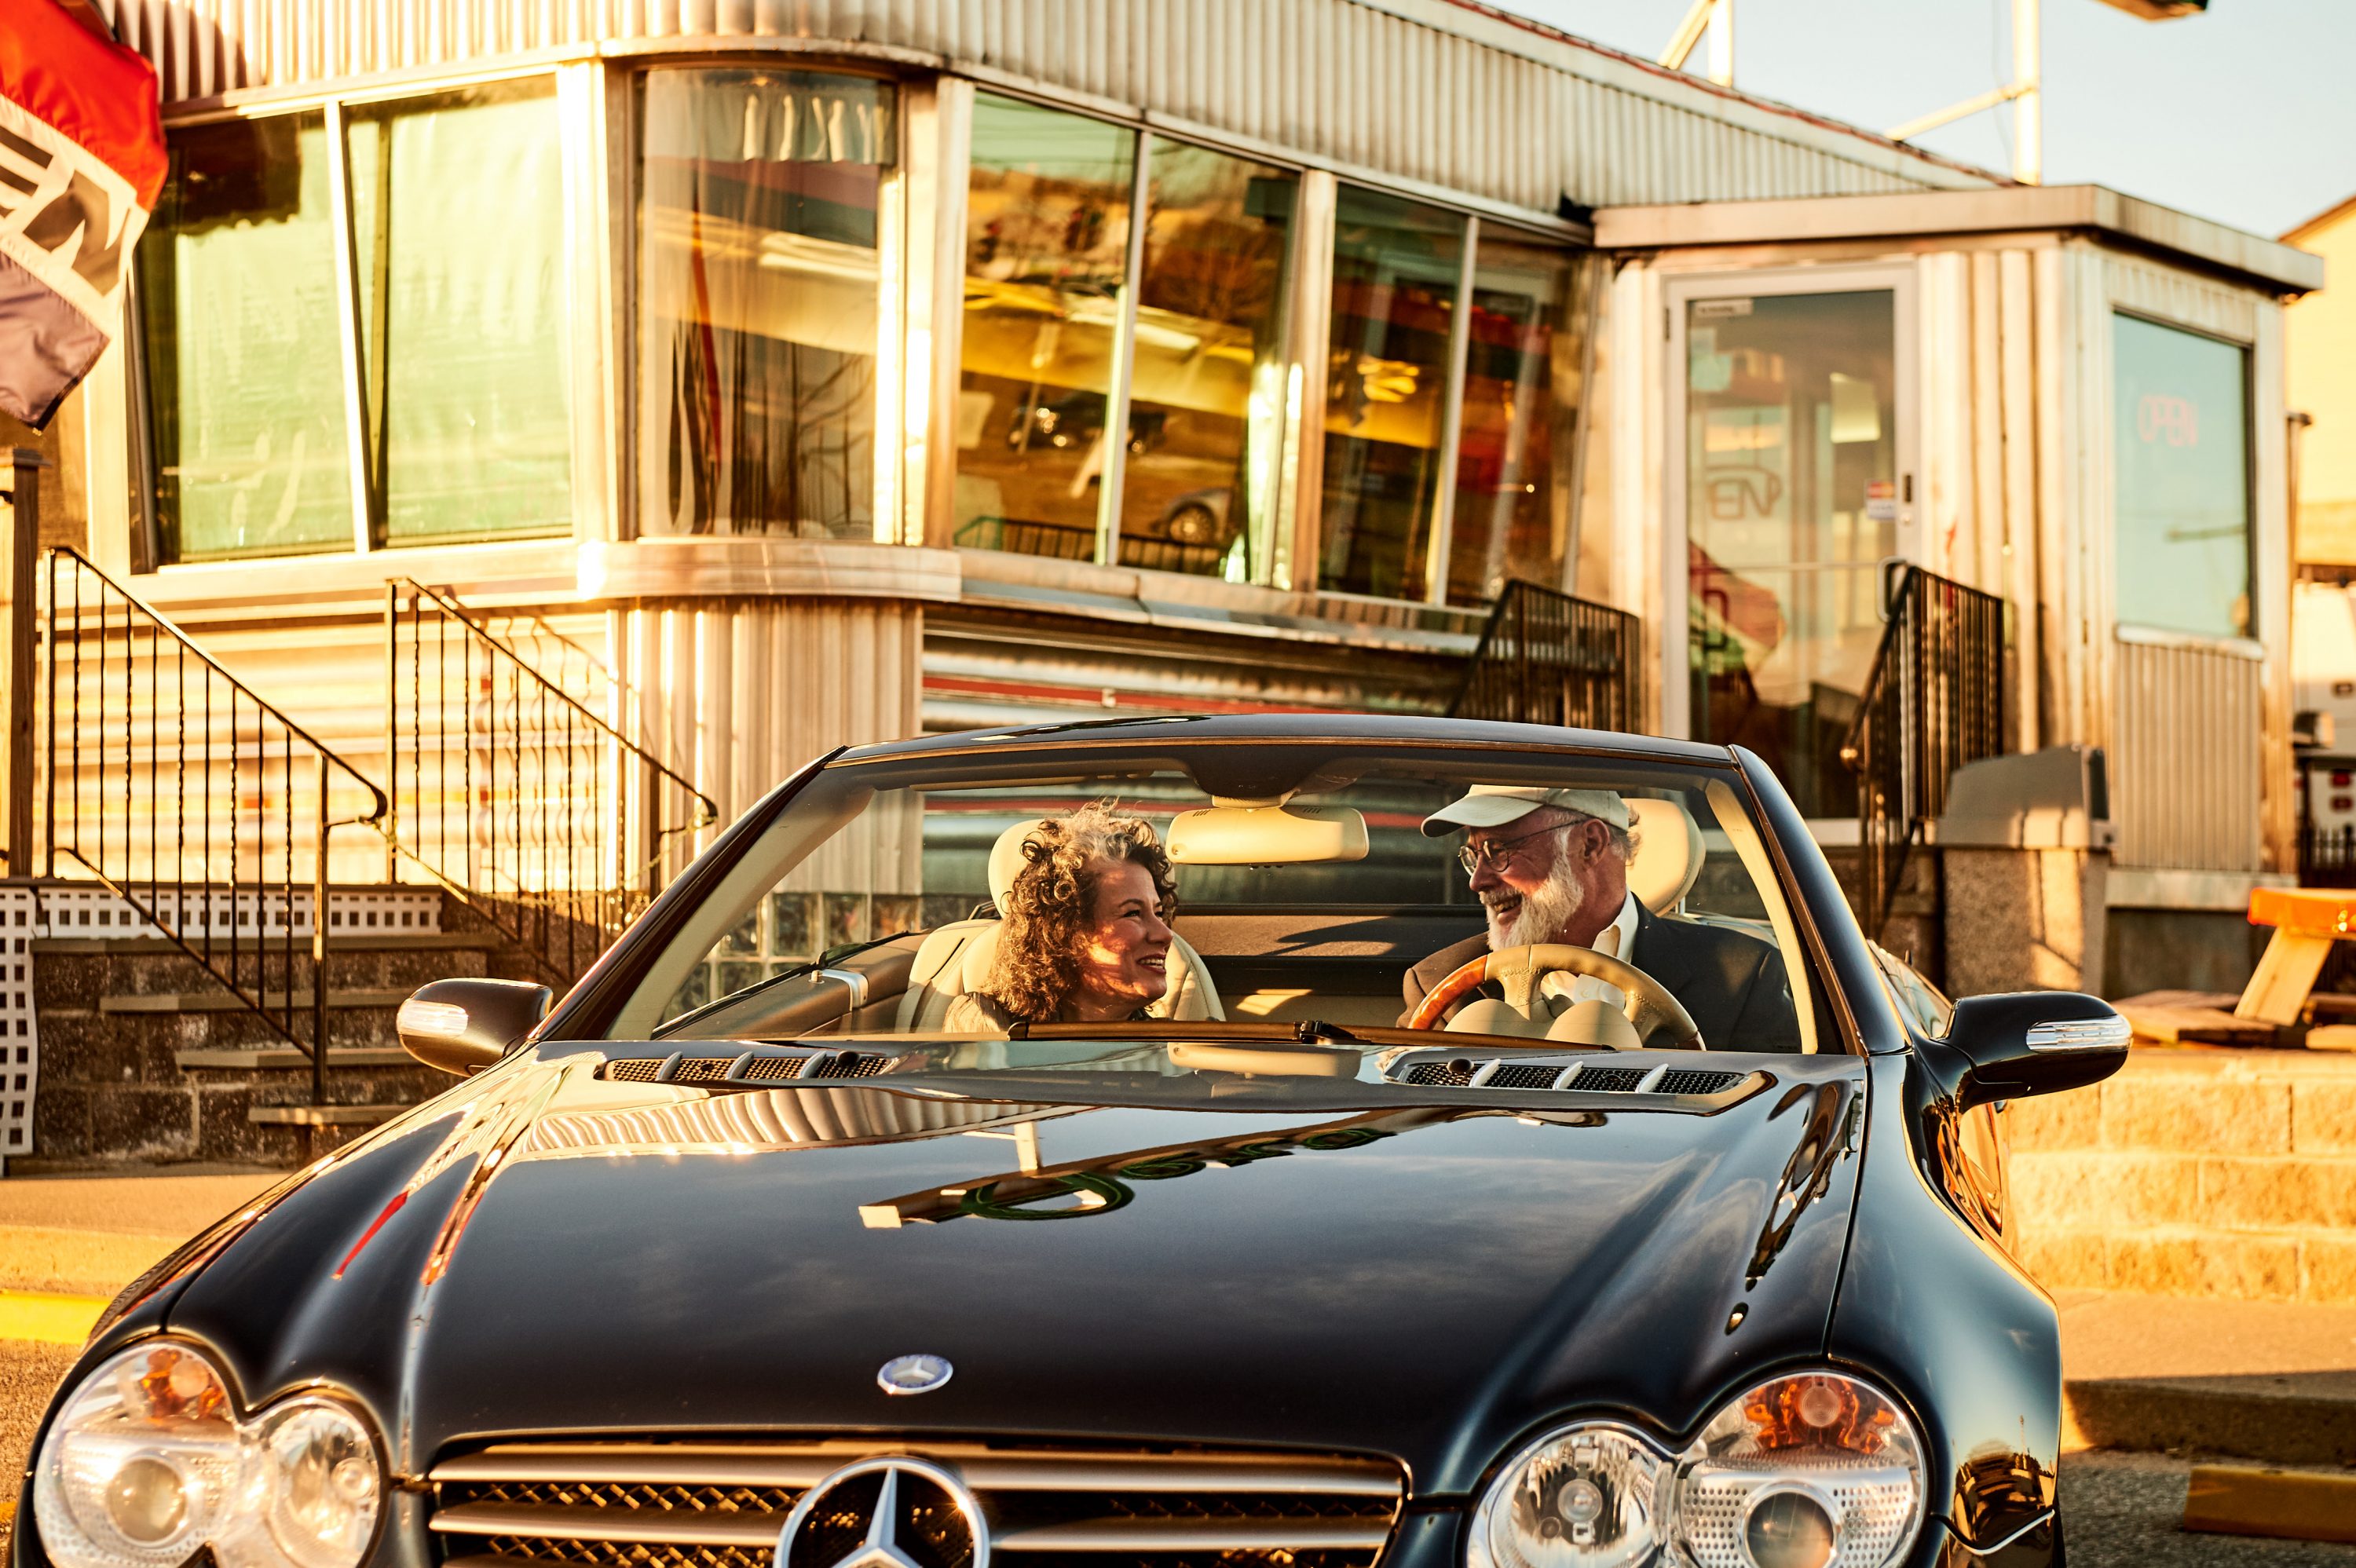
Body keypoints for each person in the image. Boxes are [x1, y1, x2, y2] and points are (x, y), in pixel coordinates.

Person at [1401, 785, 1800, 1048]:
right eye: (1474, 856)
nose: (1479, 881)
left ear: (1590, 844)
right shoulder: (1442, 986)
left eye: (1499, 850)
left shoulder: (1741, 976)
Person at [945, 805, 1178, 1031]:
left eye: (1158, 913)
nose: (1165, 934)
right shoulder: (988, 1026)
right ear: (1065, 933)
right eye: (1133, 913)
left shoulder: (1178, 1047)